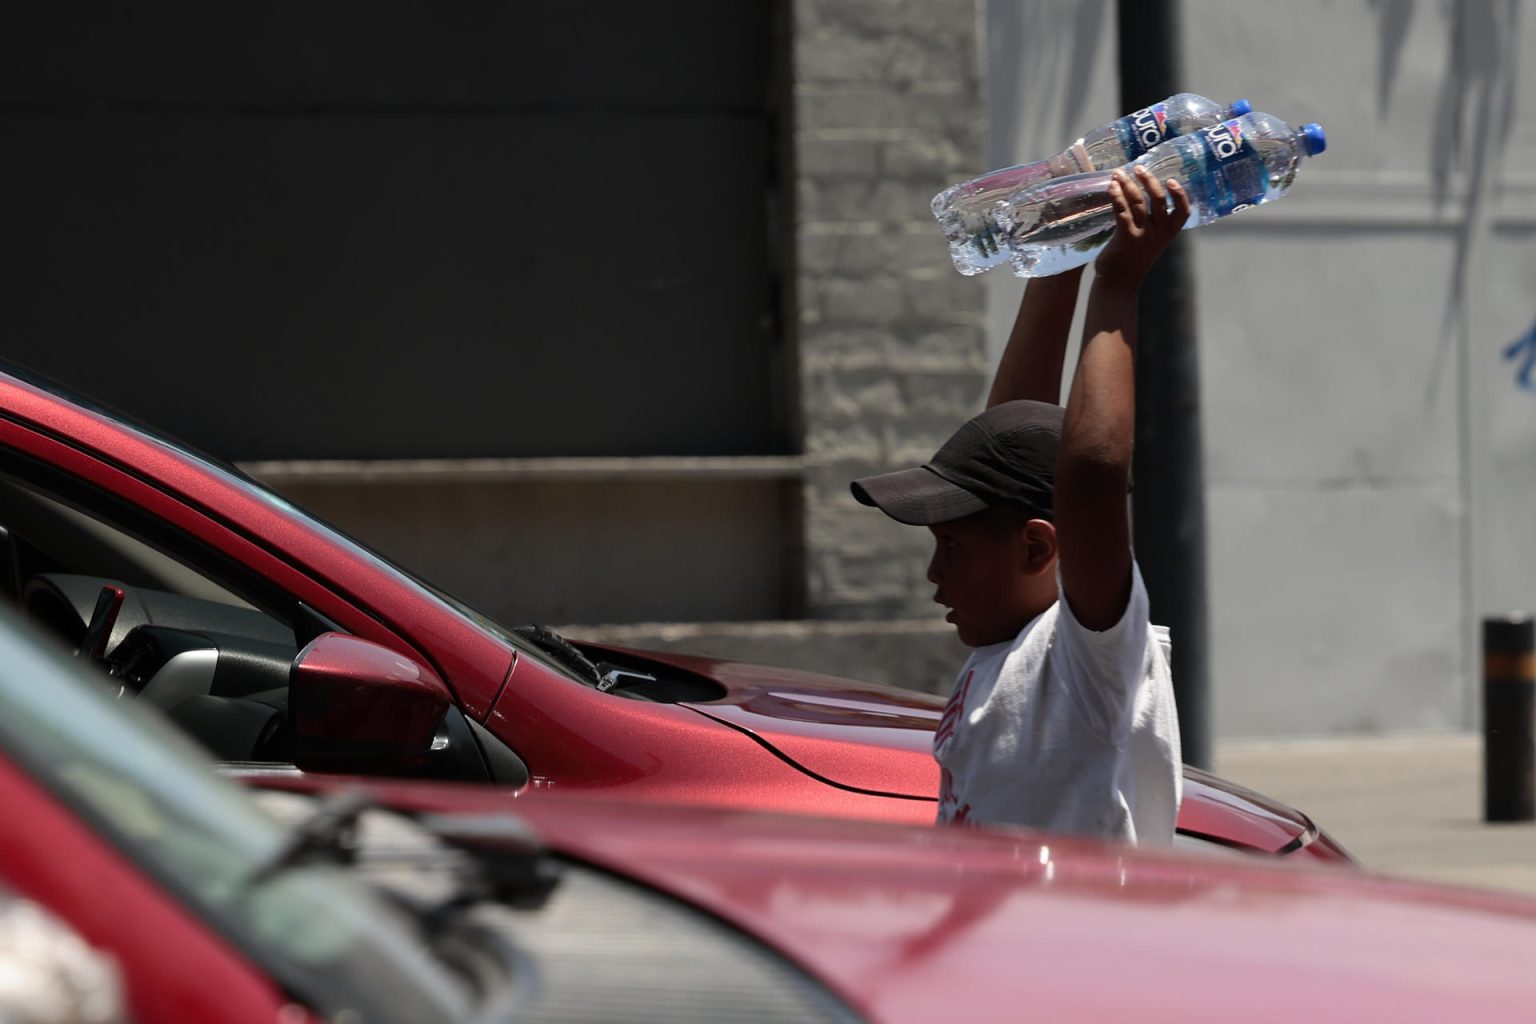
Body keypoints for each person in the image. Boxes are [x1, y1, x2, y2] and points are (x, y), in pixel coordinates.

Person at [851, 165, 1189, 844]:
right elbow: (1015, 427)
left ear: (1038, 547)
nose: (933, 574)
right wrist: (1057, 265)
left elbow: (1091, 478)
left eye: (953, 546)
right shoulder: (1003, 645)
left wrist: (1117, 284)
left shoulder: (1087, 653)